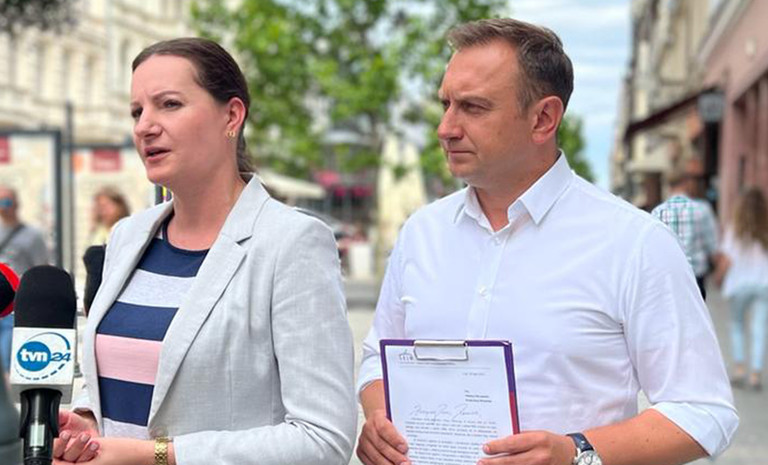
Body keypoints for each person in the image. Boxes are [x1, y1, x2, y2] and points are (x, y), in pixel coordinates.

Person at [356, 18, 737, 465]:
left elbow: (703, 411)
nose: (446, 127)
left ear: (543, 119)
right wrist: (380, 422)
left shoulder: (635, 243)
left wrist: (576, 452)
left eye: (473, 107)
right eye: (446, 104)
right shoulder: (421, 234)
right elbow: (378, 356)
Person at [53, 38, 356, 465]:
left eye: (169, 105)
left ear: (231, 115)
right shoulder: (127, 236)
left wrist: (157, 456)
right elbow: (132, 376)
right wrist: (90, 419)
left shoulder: (291, 243)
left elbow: (323, 440)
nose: (145, 127)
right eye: (137, 111)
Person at [714, 187, 768, 391]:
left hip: (739, 284)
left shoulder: (735, 228)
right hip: (763, 284)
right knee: (759, 328)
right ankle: (755, 374)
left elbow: (727, 259)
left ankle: (739, 369)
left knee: (737, 325)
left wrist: (719, 277)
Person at [652, 160, 720, 299]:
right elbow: (713, 248)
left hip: (669, 278)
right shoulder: (702, 210)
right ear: (686, 181)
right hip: (696, 279)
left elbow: (654, 251)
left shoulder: (657, 212)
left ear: (668, 184)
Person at [0, 186, 49, 374]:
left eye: (7, 202)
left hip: (14, 304)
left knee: (6, 358)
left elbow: (40, 268)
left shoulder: (31, 236)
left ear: (16, 204)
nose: (4, 207)